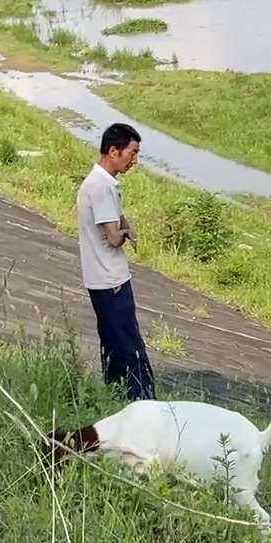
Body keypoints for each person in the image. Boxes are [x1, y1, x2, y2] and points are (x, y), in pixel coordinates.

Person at [76, 123, 157, 401]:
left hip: (99, 277)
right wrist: (125, 234)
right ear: (114, 150)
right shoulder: (102, 186)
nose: (134, 160)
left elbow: (114, 217)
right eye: (132, 152)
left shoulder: (101, 182)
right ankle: (143, 403)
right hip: (111, 280)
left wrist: (125, 225)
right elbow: (112, 237)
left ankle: (116, 397)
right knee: (129, 347)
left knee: (111, 344)